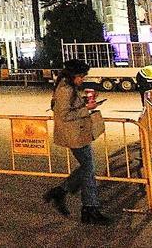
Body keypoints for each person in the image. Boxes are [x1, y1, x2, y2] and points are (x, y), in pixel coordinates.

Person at [43, 59, 111, 224]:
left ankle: (63, 193)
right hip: (74, 135)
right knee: (88, 170)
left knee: (88, 168)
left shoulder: (69, 87)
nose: (82, 79)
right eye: (81, 76)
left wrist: (85, 103)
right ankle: (88, 207)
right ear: (73, 75)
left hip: (79, 133)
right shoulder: (65, 89)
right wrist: (85, 109)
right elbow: (64, 114)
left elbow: (70, 107)